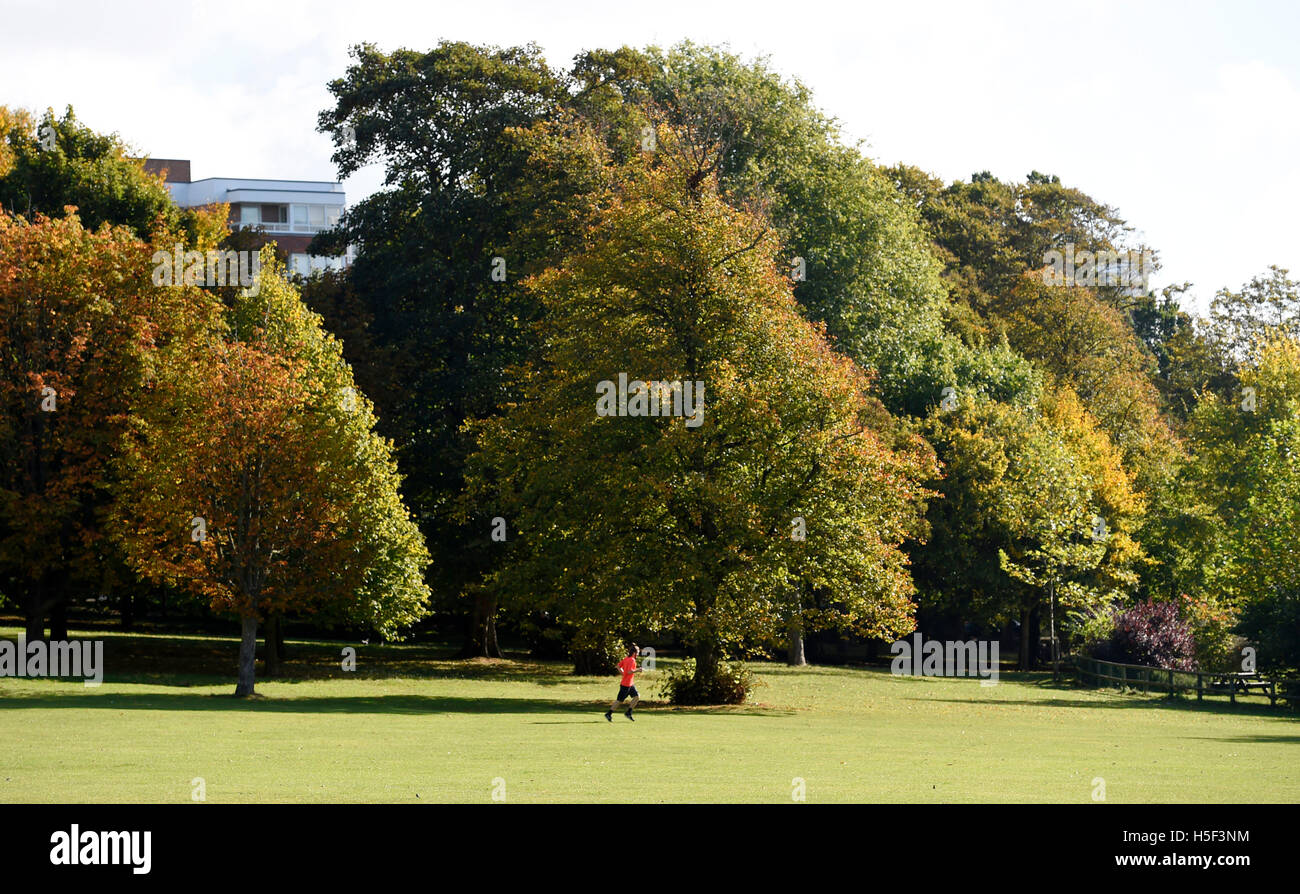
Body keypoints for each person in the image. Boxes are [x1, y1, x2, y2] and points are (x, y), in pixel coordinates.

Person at [605, 643, 641, 721]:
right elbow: (629, 671)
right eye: (638, 653)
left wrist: (623, 673)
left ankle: (628, 712)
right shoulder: (632, 660)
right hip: (626, 685)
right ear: (634, 653)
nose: (638, 654)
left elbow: (618, 666)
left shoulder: (626, 659)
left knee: (637, 696)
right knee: (619, 701)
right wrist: (638, 670)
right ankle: (608, 714)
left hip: (630, 684)